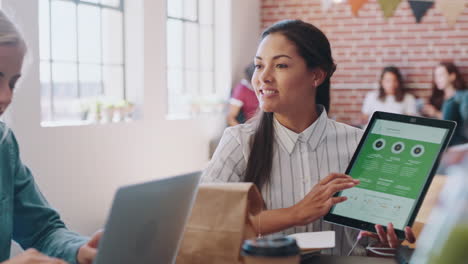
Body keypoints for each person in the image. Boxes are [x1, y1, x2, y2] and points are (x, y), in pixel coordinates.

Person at [203, 19, 415, 256]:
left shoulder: (361, 143)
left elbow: (369, 246)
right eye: (259, 65)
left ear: (316, 75)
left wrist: (384, 242)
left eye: (280, 65)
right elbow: (205, 223)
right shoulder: (239, 141)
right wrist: (296, 213)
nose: (263, 77)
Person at [0, 11, 101, 264]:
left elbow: (42, 231)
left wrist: (80, 250)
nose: (6, 97)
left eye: (13, 83)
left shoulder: (4, 145)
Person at [423, 62, 468, 146]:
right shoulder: (437, 98)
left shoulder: (464, 96)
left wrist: (435, 113)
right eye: (436, 76)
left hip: (457, 139)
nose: (437, 79)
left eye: (441, 75)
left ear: (452, 76)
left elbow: (464, 122)